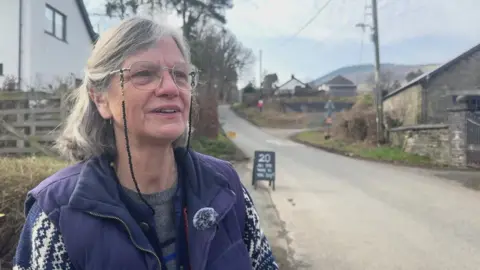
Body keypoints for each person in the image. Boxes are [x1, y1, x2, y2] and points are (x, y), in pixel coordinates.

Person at [13, 17, 278, 270]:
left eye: (181, 75)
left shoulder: (226, 187)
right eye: (144, 74)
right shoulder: (56, 214)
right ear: (100, 98)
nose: (170, 88)